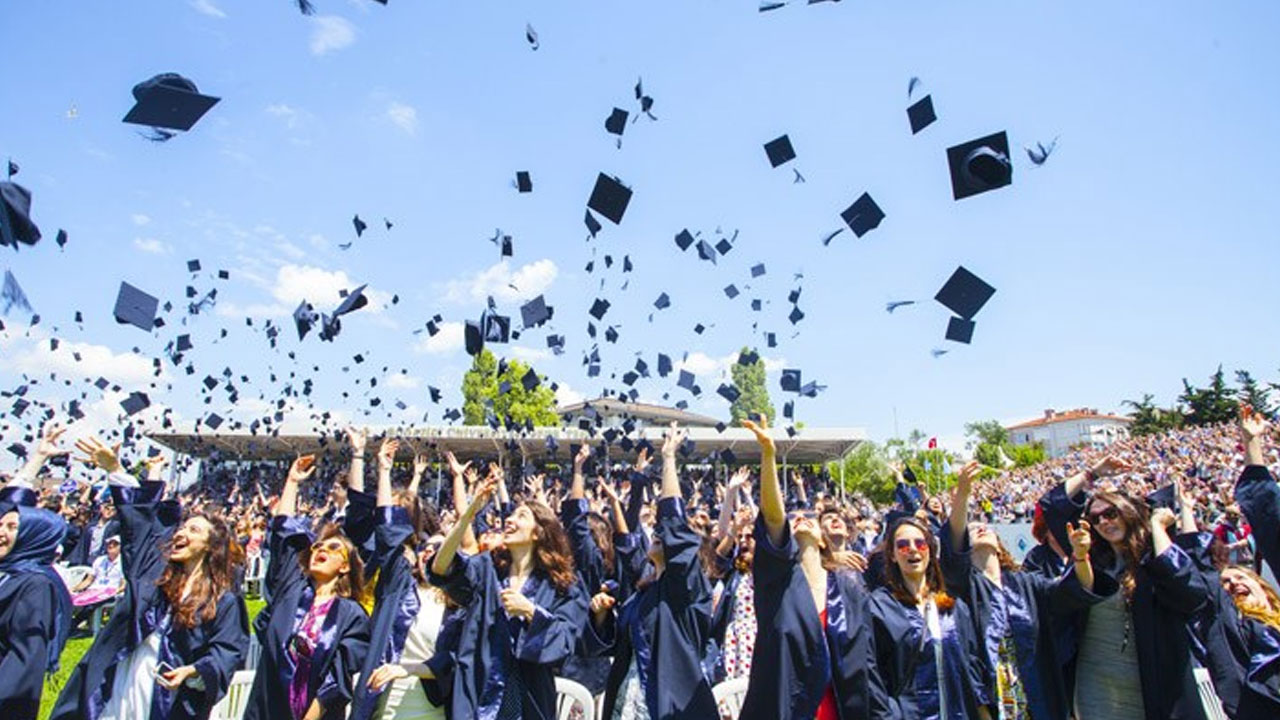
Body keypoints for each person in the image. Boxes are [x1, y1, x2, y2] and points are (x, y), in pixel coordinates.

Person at [52, 437, 248, 720]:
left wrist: (194, 671)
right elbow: (139, 526)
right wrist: (116, 469)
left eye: (194, 530)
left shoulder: (223, 600)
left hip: (166, 695)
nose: (181, 533)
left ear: (210, 546)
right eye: (182, 528)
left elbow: (228, 651)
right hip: (121, 675)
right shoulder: (154, 572)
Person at [739, 415, 882, 720]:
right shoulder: (777, 584)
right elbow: (774, 519)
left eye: (809, 518)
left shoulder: (847, 588)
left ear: (821, 539)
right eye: (794, 518)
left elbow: (867, 660)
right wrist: (769, 455)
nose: (800, 518)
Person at [429, 461, 587, 720]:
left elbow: (566, 639)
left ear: (539, 533)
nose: (510, 520)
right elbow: (441, 567)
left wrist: (531, 612)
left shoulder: (563, 585)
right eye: (510, 515)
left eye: (521, 516)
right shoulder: (488, 570)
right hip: (478, 694)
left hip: (529, 696)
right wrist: (468, 514)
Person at [586, 422, 719, 720]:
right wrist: (601, 614)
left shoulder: (686, 591)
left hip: (671, 706)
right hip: (628, 704)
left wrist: (669, 459)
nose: (658, 533)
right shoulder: (640, 596)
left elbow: (673, 525)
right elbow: (614, 645)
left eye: (666, 534)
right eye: (656, 531)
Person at [1053, 482, 1210, 720]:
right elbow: (1071, 598)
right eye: (1096, 519)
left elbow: (1189, 591)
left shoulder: (1152, 557)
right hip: (1097, 679)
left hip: (1153, 678)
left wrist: (1157, 527)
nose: (1104, 522)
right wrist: (1080, 556)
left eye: (1111, 513)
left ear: (1128, 512)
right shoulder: (1093, 559)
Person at [944, 460, 1083, 720]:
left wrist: (1082, 557)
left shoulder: (1027, 583)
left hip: (1037, 697)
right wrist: (963, 495)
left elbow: (1069, 592)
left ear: (1000, 542)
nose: (981, 527)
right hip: (992, 703)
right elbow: (952, 549)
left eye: (985, 526)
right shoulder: (963, 588)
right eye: (972, 529)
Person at [244, 455, 371, 720]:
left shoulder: (352, 615)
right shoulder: (291, 592)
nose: (321, 549)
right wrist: (291, 483)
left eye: (333, 548)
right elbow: (283, 535)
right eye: (317, 546)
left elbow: (337, 680)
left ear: (345, 566)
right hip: (267, 710)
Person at [350, 438, 452, 720]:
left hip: (428, 692)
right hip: (378, 663)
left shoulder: (455, 593)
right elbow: (379, 525)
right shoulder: (390, 565)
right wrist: (378, 468)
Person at [868, 514, 991, 719]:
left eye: (920, 543)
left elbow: (972, 666)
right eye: (903, 545)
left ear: (930, 551)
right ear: (892, 555)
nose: (913, 549)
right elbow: (874, 679)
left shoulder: (953, 607)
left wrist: (983, 712)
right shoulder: (879, 608)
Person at [0, 423, 74, 719]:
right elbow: (7, 505)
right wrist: (38, 459)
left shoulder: (35, 585)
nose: (1, 531)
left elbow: (25, 660)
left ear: (33, 537)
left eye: (12, 528)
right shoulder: (8, 570)